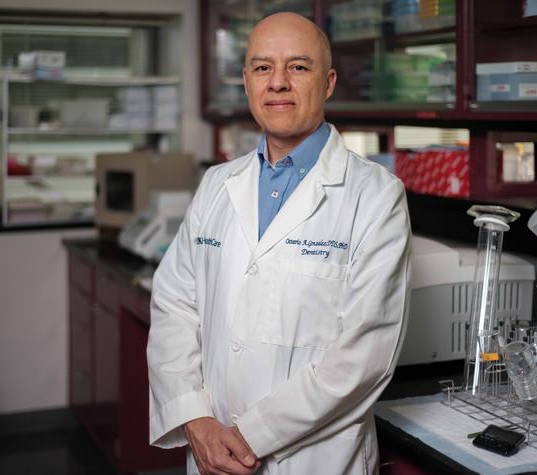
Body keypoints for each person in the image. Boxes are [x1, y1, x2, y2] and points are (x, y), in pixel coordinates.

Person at [147, 11, 411, 475]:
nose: (278, 83)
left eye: (299, 67)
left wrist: (247, 437)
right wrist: (195, 420)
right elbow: (174, 306)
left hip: (315, 460)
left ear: (328, 83)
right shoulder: (216, 184)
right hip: (210, 454)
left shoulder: (375, 196)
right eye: (263, 67)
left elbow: (363, 356)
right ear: (247, 81)